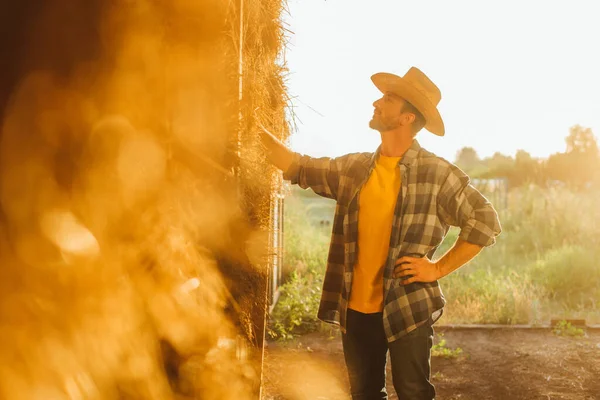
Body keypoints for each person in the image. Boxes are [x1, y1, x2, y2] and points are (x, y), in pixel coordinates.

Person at [259, 66, 502, 400]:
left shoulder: (437, 174)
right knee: (364, 394)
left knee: (414, 393)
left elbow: (485, 220)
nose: (377, 102)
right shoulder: (355, 168)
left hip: (407, 307)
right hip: (356, 312)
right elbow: (298, 166)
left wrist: (437, 268)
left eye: (388, 99)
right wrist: (249, 125)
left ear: (406, 118)